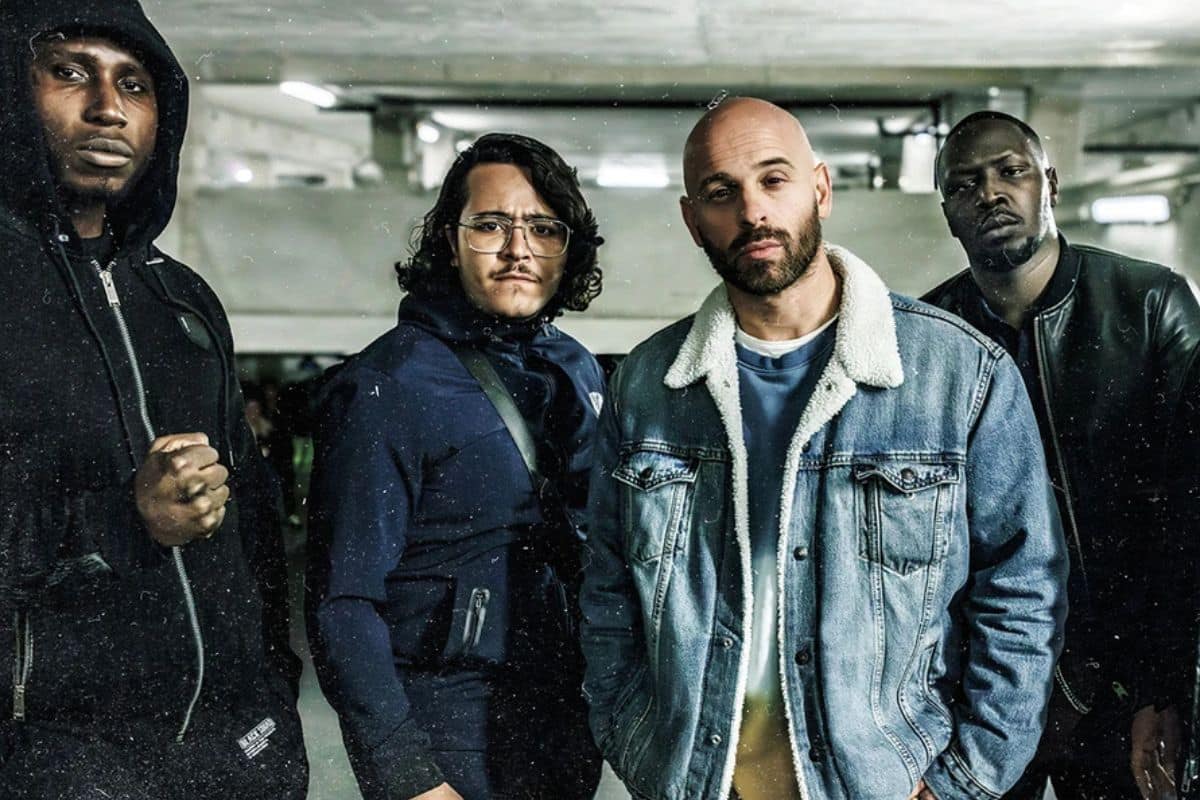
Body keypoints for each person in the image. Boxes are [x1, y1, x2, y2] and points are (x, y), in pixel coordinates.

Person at [579, 97, 1068, 800]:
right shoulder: (649, 386)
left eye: (774, 180)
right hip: (697, 780)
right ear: (693, 220)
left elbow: (1022, 593)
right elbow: (607, 589)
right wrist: (632, 736)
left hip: (886, 782)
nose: (753, 212)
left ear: (821, 188)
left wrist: (964, 780)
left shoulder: (960, 375)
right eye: (722, 193)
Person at [0, 1, 309, 797]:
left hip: (223, 757)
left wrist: (271, 710)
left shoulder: (180, 300)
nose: (107, 106)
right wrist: (120, 522)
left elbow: (253, 533)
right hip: (49, 765)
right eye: (69, 71)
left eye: (134, 83)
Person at [306, 133, 606, 800]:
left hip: (561, 730)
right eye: (490, 225)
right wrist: (408, 774)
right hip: (448, 735)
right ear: (449, 239)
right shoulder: (390, 385)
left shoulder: (575, 369)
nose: (518, 249)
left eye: (543, 228)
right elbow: (342, 603)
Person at [923, 110, 1200, 800]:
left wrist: (1161, 687)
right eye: (965, 184)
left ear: (1049, 182)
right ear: (949, 213)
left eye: (1010, 171)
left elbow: (1189, 522)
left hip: (1124, 682)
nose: (991, 193)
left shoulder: (1149, 303)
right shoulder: (928, 337)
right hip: (984, 693)